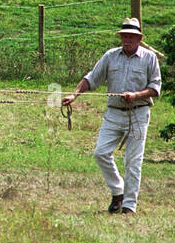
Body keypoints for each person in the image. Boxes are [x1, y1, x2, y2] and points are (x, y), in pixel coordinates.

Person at [60, 17, 161, 215]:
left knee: (133, 161)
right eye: (124, 36)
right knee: (100, 153)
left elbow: (155, 88)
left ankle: (129, 206)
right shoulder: (110, 56)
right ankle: (118, 191)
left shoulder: (150, 58)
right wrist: (74, 95)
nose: (127, 40)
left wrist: (136, 95)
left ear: (139, 38)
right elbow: (91, 79)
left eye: (131, 36)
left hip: (139, 114)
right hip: (114, 113)